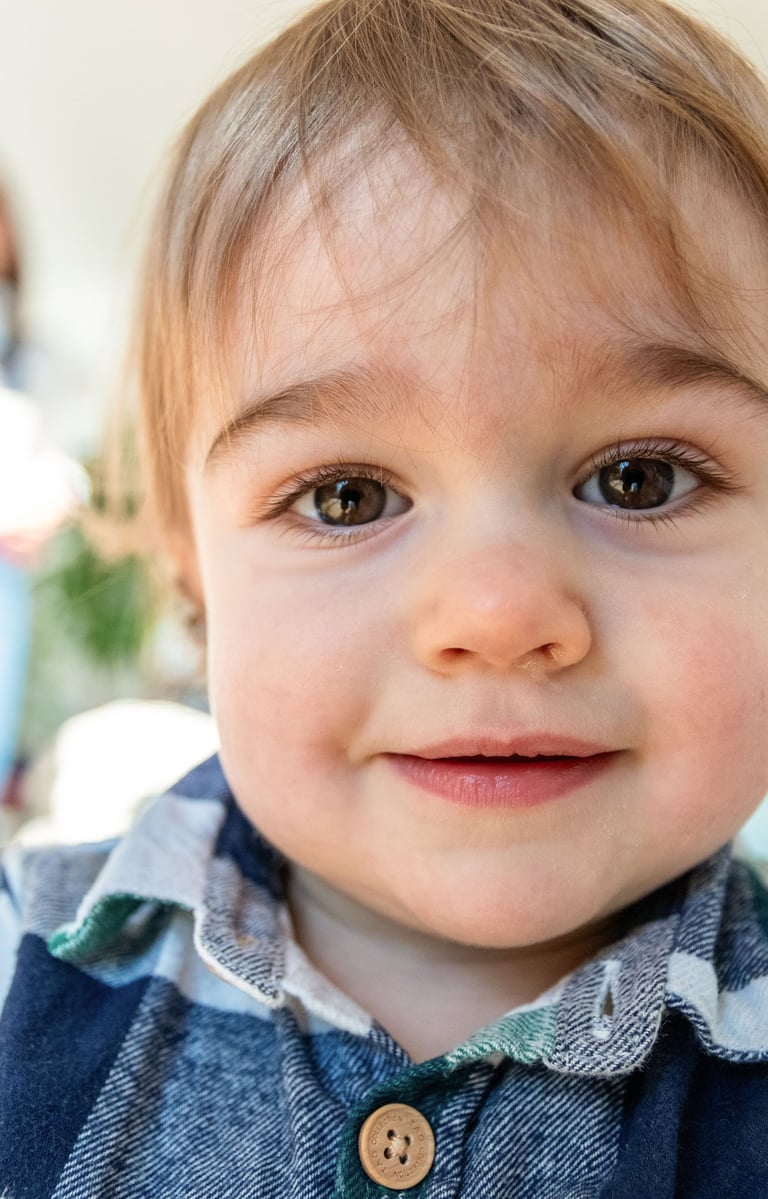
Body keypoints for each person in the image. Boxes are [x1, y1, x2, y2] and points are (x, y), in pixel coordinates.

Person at [3, 0, 768, 1192]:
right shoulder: (19, 959)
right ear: (190, 567)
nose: (500, 612)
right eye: (348, 496)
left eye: (639, 477)